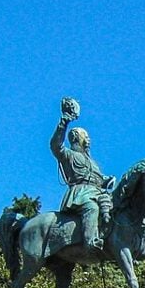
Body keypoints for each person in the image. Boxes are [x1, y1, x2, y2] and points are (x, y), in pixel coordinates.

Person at [51, 98, 115, 252]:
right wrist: (65, 121)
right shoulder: (69, 154)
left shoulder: (92, 161)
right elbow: (56, 145)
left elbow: (98, 177)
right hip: (82, 194)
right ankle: (90, 240)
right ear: (76, 138)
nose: (88, 140)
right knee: (92, 208)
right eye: (85, 137)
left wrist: (107, 179)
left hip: (98, 192)